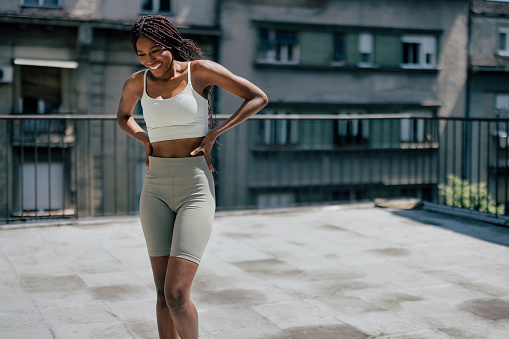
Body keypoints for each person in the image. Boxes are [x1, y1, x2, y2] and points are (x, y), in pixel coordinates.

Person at [116, 15, 267, 339]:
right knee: (161, 294)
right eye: (142, 54)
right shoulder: (136, 83)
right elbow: (123, 116)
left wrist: (215, 133)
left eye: (155, 50)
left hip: (194, 188)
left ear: (170, 44)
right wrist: (143, 137)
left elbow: (257, 97)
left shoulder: (199, 71)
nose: (149, 60)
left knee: (176, 294)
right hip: (154, 187)